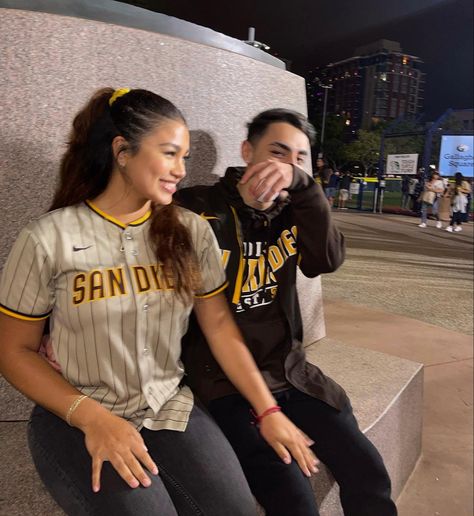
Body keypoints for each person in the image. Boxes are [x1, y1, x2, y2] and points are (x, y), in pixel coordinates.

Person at [0, 89, 317, 516]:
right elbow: (12, 350)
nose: (181, 171)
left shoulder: (190, 231)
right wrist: (91, 418)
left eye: (184, 157)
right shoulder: (48, 238)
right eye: (170, 154)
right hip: (73, 416)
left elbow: (221, 329)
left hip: (170, 408)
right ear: (122, 152)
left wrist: (268, 411)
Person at [176, 109, 397, 516]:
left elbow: (327, 259)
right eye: (277, 154)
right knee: (292, 494)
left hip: (288, 373)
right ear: (247, 151)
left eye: (299, 159)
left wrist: (304, 187)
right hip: (221, 383)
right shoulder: (196, 207)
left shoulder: (295, 211)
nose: (286, 167)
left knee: (368, 472)